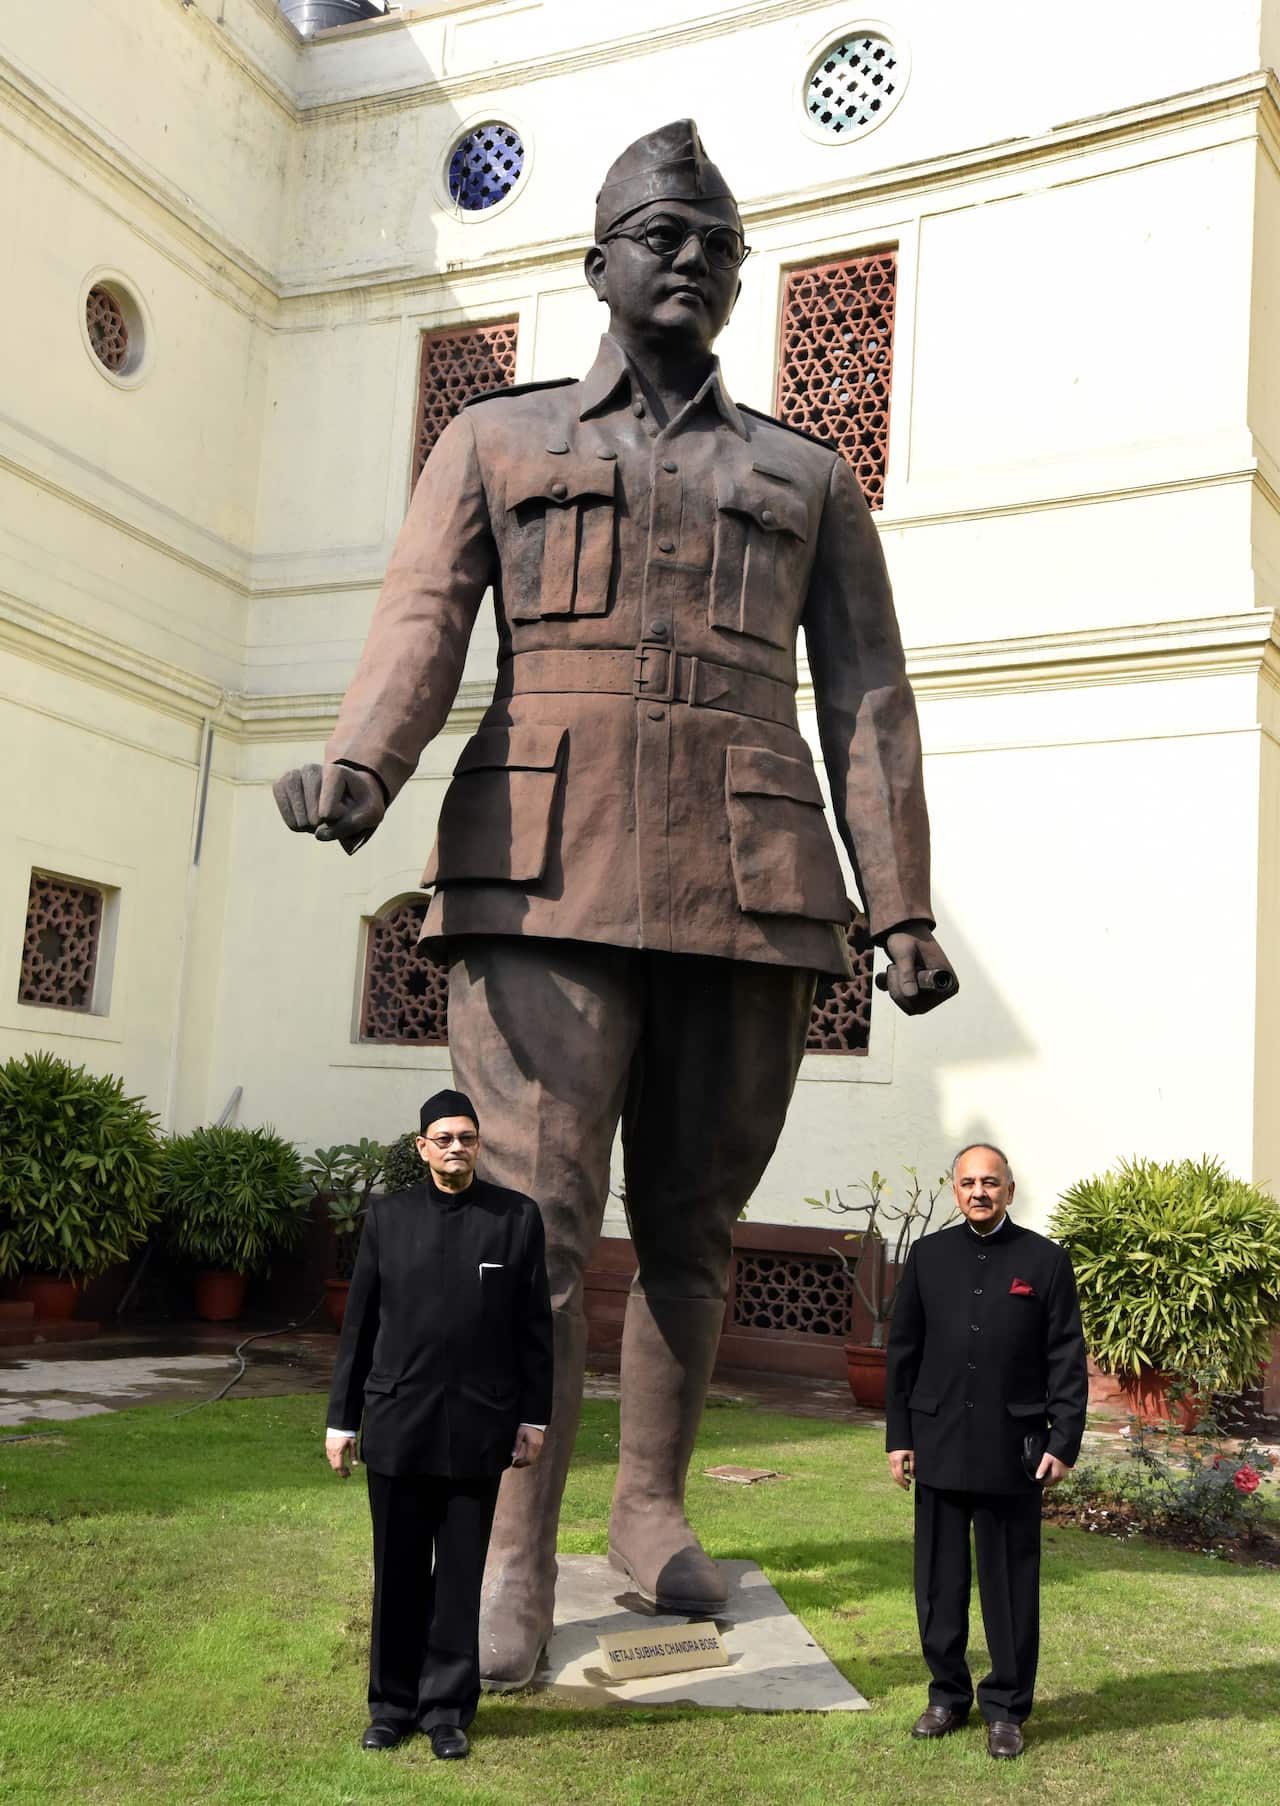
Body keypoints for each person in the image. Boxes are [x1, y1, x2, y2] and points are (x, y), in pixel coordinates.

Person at [278, 119, 957, 1688]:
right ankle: (515, 1553)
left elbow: (867, 693)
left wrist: (901, 900)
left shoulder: (803, 472)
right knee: (533, 1223)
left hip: (751, 882)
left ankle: (649, 1512)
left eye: (719, 243)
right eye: (663, 235)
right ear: (595, 264)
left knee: (696, 1227)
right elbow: (421, 620)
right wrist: (361, 771)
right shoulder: (498, 440)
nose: (696, 261)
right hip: (541, 868)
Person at [324, 1088, 553, 1755]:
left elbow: (534, 1330)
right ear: (422, 1146)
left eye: (467, 1137)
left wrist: (532, 1418)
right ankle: (391, 1707)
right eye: (444, 1137)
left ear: (479, 1146)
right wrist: (343, 1421)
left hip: (479, 1430)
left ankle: (447, 1711)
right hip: (397, 1424)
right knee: (396, 1573)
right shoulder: (387, 1220)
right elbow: (359, 1330)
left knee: (458, 1577)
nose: (457, 1147)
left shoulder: (516, 1220)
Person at [885, 1142, 1088, 1759]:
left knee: (1009, 1586)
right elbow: (903, 1355)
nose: (979, 1191)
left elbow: (1066, 1359)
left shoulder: (1045, 1261)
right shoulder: (927, 1257)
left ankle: (1006, 1708)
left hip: (1013, 1449)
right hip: (940, 1441)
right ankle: (946, 1696)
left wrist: (1064, 1441)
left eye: (990, 1182)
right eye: (969, 1182)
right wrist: (900, 1438)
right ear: (954, 1191)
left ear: (1010, 1189)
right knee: (939, 1585)